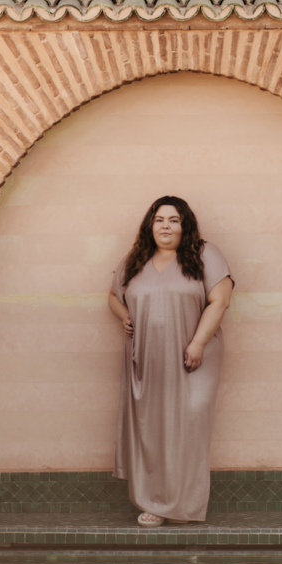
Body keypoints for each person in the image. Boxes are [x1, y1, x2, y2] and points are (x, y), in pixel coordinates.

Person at [108, 196, 234, 527]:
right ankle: (156, 504)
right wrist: (124, 316)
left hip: (194, 357)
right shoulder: (135, 259)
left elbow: (219, 301)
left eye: (174, 220)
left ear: (185, 225)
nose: (166, 226)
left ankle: (184, 504)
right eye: (160, 219)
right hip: (146, 361)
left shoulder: (205, 254)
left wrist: (197, 342)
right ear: (151, 225)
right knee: (152, 428)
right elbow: (113, 295)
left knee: (189, 425)